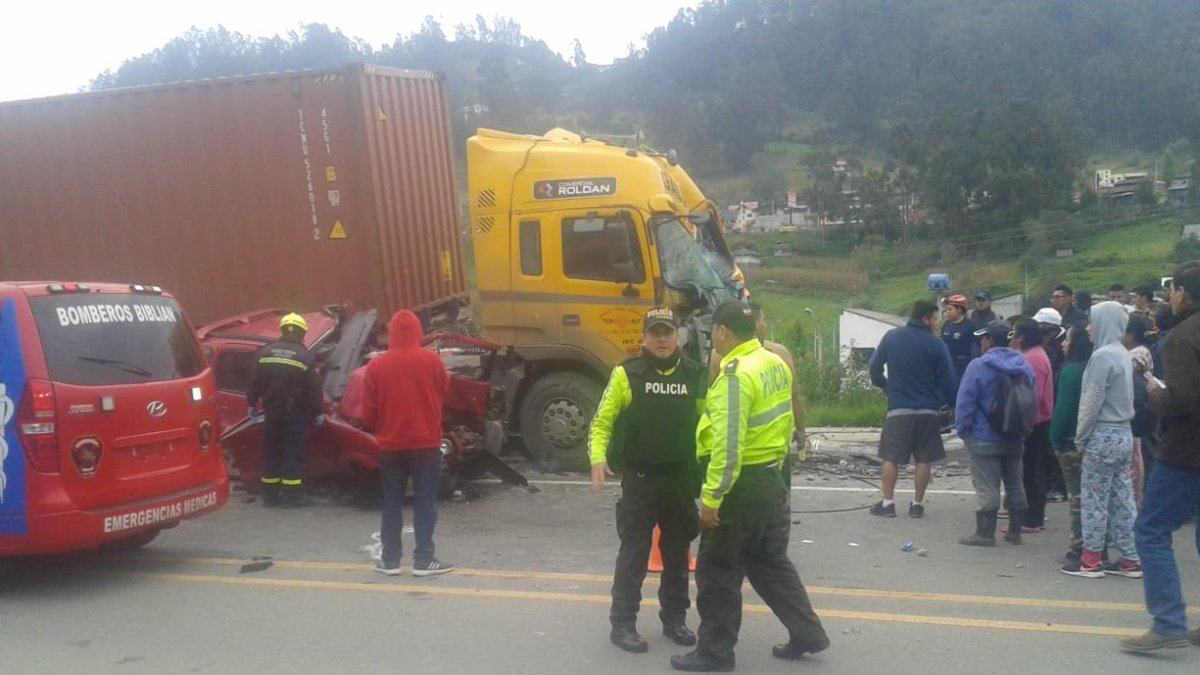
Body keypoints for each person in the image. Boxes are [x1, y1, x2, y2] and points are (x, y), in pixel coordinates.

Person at [671, 302, 829, 672]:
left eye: (713, 331)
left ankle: (715, 652)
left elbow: (728, 447)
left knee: (717, 571)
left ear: (722, 332)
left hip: (740, 488)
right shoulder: (774, 363)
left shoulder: (735, 375)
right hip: (771, 478)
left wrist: (711, 499)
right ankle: (808, 632)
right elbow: (786, 417)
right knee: (770, 563)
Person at [590, 307, 707, 654]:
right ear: (644, 337)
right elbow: (602, 422)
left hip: (681, 480)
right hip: (640, 480)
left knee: (676, 555)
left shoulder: (695, 375)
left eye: (667, 332)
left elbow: (710, 425)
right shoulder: (627, 374)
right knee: (633, 554)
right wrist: (597, 457)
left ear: (678, 336)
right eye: (654, 332)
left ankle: (674, 620)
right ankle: (622, 624)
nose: (661, 339)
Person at [1121, 264, 1200, 652]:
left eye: (1172, 291)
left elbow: (1181, 399)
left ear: (1183, 293)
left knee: (1150, 530)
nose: (1169, 298)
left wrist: (1154, 391)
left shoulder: (1183, 337)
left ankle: (1168, 621)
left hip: (1186, 452)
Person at [363, 309, 452, 577]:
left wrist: (384, 427)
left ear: (390, 334)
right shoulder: (432, 361)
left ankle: (390, 561)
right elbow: (444, 390)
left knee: (392, 502)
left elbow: (367, 413)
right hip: (426, 444)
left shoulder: (376, 366)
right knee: (425, 501)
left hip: (391, 447)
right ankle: (424, 559)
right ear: (418, 332)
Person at [1061, 301, 1141, 579]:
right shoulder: (1122, 353)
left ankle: (1091, 560)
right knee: (1123, 499)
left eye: (1093, 322)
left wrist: (1081, 440)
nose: (1089, 328)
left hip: (1102, 434)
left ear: (1104, 324)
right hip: (1123, 433)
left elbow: (1090, 403)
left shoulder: (1101, 357)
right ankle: (1130, 558)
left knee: (1094, 500)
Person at [867, 300, 958, 518]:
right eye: (935, 319)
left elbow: (874, 367)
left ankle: (888, 504)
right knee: (923, 459)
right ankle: (917, 505)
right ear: (926, 319)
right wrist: (952, 403)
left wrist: (885, 386)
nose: (936, 323)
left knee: (891, 457)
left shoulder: (892, 337)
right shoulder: (936, 344)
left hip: (899, 409)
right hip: (928, 410)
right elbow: (948, 379)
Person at [955, 320, 1034, 546]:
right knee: (1015, 483)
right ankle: (1015, 531)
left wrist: (964, 431)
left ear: (989, 340)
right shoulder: (1024, 366)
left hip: (983, 437)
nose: (980, 342)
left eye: (983, 338)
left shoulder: (978, 366)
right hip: (1015, 436)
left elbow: (965, 403)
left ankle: (985, 534)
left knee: (987, 486)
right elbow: (1031, 400)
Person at [246, 312, 324, 508]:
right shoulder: (305, 356)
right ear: (301, 333)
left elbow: (255, 383)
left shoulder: (265, 354)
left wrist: (251, 404)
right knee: (293, 452)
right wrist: (318, 411)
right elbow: (313, 388)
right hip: (294, 413)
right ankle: (292, 497)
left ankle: (270, 496)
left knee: (271, 451)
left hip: (271, 412)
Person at [1049, 324, 1092, 565]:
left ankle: (1078, 547)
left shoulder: (1072, 372)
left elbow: (1063, 410)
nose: (1063, 344)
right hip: (1095, 440)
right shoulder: (1097, 367)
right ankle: (1099, 545)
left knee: (1077, 498)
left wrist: (1054, 439)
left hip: (1071, 442)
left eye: (1067, 340)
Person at [1006, 319, 1054, 533]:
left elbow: (1030, 397)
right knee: (1034, 469)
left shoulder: (1033, 358)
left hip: (1034, 421)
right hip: (1039, 419)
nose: (1013, 338)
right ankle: (1035, 515)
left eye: (1015, 334)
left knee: (1029, 471)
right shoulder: (1036, 354)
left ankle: (1031, 518)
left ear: (1022, 337)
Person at [1123, 314, 1155, 501]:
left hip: (1140, 409)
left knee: (1143, 456)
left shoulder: (1137, 354)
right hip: (1140, 408)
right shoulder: (1139, 351)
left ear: (1131, 334)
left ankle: (1143, 496)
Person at [941, 294, 979, 387]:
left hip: (964, 366)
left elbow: (977, 347)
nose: (947, 312)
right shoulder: (946, 324)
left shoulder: (971, 326)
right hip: (948, 364)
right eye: (946, 309)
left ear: (959, 309)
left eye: (950, 309)